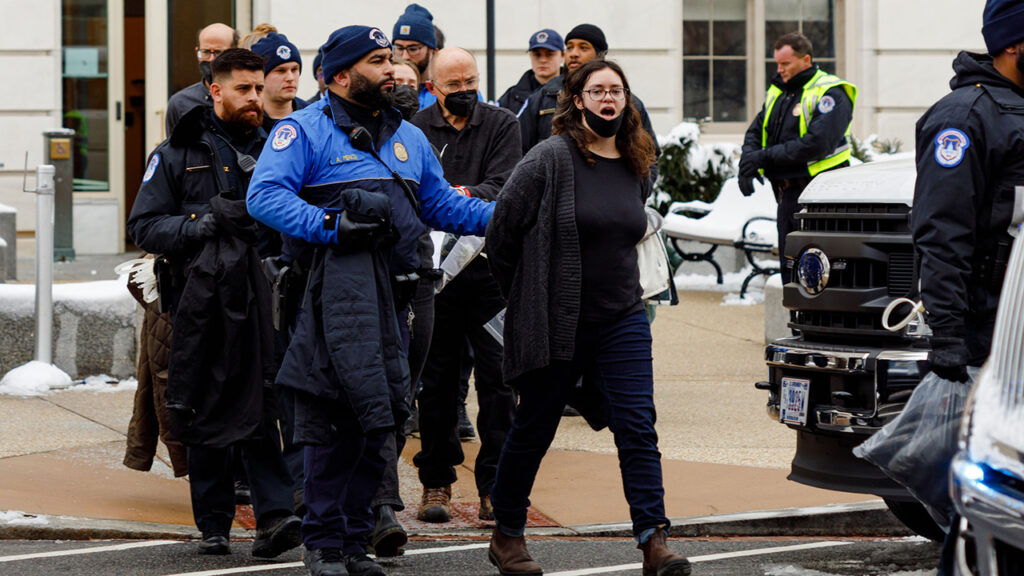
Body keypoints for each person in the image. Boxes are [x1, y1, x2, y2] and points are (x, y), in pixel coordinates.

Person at [245, 25, 495, 576]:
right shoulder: (303, 131)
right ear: (339, 76)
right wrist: (330, 225)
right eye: (378, 61)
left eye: (391, 59)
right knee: (331, 424)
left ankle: (355, 544)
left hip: (404, 303)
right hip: (331, 302)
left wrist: (510, 217)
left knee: (378, 425)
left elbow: (442, 207)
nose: (392, 69)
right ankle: (324, 546)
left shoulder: (407, 135)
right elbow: (263, 197)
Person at [484, 59, 691, 576]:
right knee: (534, 426)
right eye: (597, 90)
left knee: (638, 427)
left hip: (623, 317)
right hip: (558, 320)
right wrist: (529, 298)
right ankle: (507, 533)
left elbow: (634, 228)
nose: (608, 98)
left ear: (625, 100)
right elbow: (501, 236)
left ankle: (653, 540)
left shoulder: (637, 160)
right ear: (577, 100)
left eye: (616, 90)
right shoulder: (548, 160)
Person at [127, 48, 302, 559]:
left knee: (263, 404)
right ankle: (214, 524)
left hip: (267, 297)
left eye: (257, 87)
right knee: (204, 406)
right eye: (243, 89)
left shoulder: (279, 145)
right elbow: (143, 225)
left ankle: (275, 515)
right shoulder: (177, 152)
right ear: (215, 90)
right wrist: (202, 225)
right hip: (198, 304)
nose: (254, 97)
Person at [912, 2, 1024, 573]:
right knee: (988, 506)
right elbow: (943, 235)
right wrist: (949, 339)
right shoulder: (964, 117)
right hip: (992, 342)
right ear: (1014, 43)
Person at [410, 47, 521, 524]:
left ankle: (495, 486)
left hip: (490, 274)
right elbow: (411, 187)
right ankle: (436, 481)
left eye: (471, 81)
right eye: (453, 85)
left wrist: (462, 195)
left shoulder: (502, 125)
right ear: (432, 87)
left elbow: (507, 185)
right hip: (436, 277)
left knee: (499, 382)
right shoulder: (413, 128)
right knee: (435, 384)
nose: (465, 92)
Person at [738, 32, 856, 283]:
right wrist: (748, 163)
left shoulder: (830, 93)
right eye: (777, 64)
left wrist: (762, 158)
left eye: (785, 64)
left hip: (821, 197)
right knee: (791, 275)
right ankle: (795, 323)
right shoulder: (780, 91)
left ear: (806, 59)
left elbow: (815, 145)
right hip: (789, 196)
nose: (779, 70)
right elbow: (757, 130)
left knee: (819, 277)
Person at [517, 23, 659, 161]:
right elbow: (518, 150)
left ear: (600, 55)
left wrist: (637, 185)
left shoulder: (627, 101)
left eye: (583, 48)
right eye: (570, 47)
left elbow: (650, 155)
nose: (574, 54)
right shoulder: (542, 97)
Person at [165, 23, 238, 135]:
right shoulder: (180, 103)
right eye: (206, 52)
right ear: (197, 52)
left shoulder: (247, 98)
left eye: (219, 52)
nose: (211, 59)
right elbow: (173, 150)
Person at [498, 29, 563, 115]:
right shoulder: (512, 96)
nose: (543, 60)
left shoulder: (573, 92)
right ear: (530, 56)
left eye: (549, 54)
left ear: (563, 56)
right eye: (537, 55)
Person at [252, 32, 308, 132]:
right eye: (281, 71)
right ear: (261, 77)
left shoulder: (312, 117)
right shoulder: (247, 120)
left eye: (294, 69)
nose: (290, 78)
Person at [392, 3, 439, 109]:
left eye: (413, 49)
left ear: (433, 51)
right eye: (399, 48)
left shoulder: (447, 91)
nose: (405, 57)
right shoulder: (381, 89)